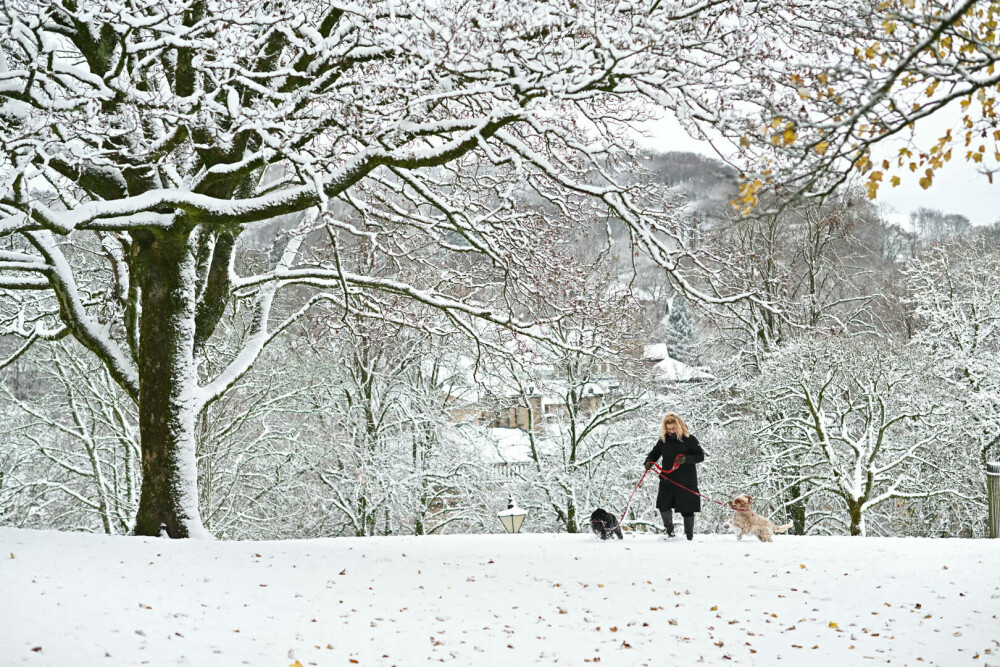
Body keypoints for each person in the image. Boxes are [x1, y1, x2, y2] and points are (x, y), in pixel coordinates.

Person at [643, 413, 706, 540]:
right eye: (668, 429)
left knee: (687, 509)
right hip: (667, 480)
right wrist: (649, 461)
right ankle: (670, 533)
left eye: (673, 428)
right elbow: (654, 453)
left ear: (679, 426)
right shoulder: (663, 440)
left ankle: (689, 536)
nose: (671, 431)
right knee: (663, 506)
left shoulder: (690, 439)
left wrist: (686, 459)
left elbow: (700, 456)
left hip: (686, 481)